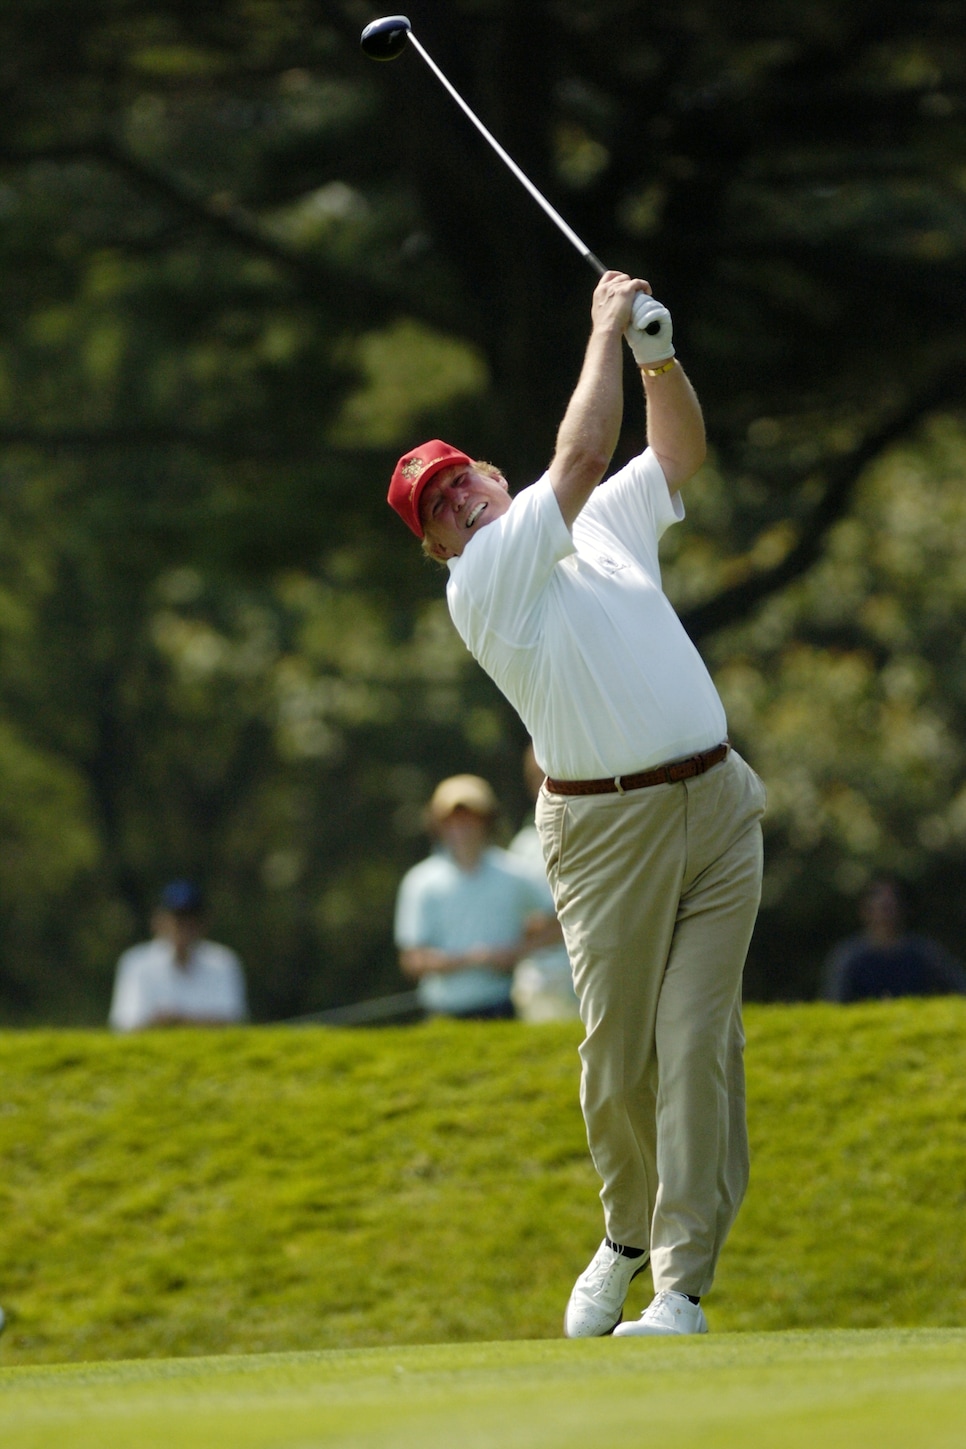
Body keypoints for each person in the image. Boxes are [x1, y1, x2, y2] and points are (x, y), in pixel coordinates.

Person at [386, 270, 766, 1337]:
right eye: (438, 507)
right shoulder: (485, 580)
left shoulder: (598, 523)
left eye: (458, 479)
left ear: (487, 473)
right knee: (616, 1053)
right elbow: (584, 454)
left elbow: (676, 456)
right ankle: (624, 1232)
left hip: (719, 805)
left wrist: (657, 358)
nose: (458, 498)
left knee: (698, 1044)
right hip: (605, 835)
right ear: (437, 546)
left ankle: (680, 1289)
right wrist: (603, 330)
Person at [394, 773, 558, 1020]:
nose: (461, 828)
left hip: (502, 1006)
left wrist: (516, 952)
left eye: (471, 819)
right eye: (452, 820)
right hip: (442, 1011)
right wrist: (468, 961)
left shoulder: (513, 872)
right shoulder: (421, 881)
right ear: (438, 825)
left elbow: (560, 925)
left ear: (487, 821)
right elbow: (411, 960)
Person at [108, 880, 248, 1031]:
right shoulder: (136, 962)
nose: (183, 926)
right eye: (176, 918)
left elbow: (233, 1019)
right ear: (158, 920)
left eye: (190, 919)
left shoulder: (223, 961)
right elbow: (126, 1023)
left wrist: (174, 1020)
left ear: (203, 922)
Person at [508, 743, 580, 1023]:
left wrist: (552, 925)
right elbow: (518, 923)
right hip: (539, 981)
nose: (546, 781)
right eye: (538, 774)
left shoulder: (596, 837)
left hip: (596, 977)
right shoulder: (523, 846)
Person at [822, 876, 966, 1002]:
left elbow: (959, 986)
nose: (886, 914)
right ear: (864, 910)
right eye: (881, 906)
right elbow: (834, 1002)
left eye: (891, 905)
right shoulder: (849, 956)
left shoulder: (924, 952)